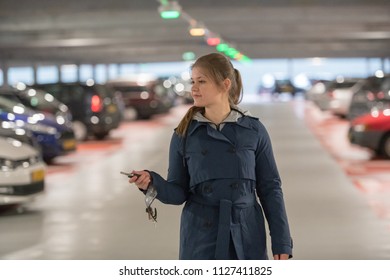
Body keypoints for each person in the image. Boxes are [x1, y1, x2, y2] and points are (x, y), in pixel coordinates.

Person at [129, 53, 293, 260]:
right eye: (193, 81)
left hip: (246, 233)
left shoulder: (253, 130)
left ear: (225, 84)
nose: (194, 88)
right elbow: (178, 193)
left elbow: (270, 188)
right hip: (201, 236)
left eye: (202, 81)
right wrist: (151, 183)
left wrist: (282, 241)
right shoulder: (184, 133)